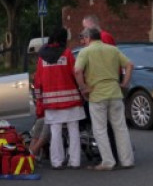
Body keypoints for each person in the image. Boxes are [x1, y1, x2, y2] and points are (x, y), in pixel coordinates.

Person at [74, 27, 134, 171]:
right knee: (120, 128)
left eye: (84, 38)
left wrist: (83, 88)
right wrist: (124, 83)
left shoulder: (85, 52)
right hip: (115, 92)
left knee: (100, 129)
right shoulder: (112, 50)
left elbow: (77, 71)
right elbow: (129, 65)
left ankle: (108, 161)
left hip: (97, 94)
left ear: (88, 38)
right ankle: (127, 160)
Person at [35, 27, 85, 169]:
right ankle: (75, 161)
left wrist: (39, 100)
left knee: (55, 131)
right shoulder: (67, 54)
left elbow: (38, 80)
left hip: (51, 101)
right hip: (71, 99)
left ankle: (56, 162)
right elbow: (75, 73)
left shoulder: (42, 57)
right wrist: (82, 90)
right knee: (73, 129)